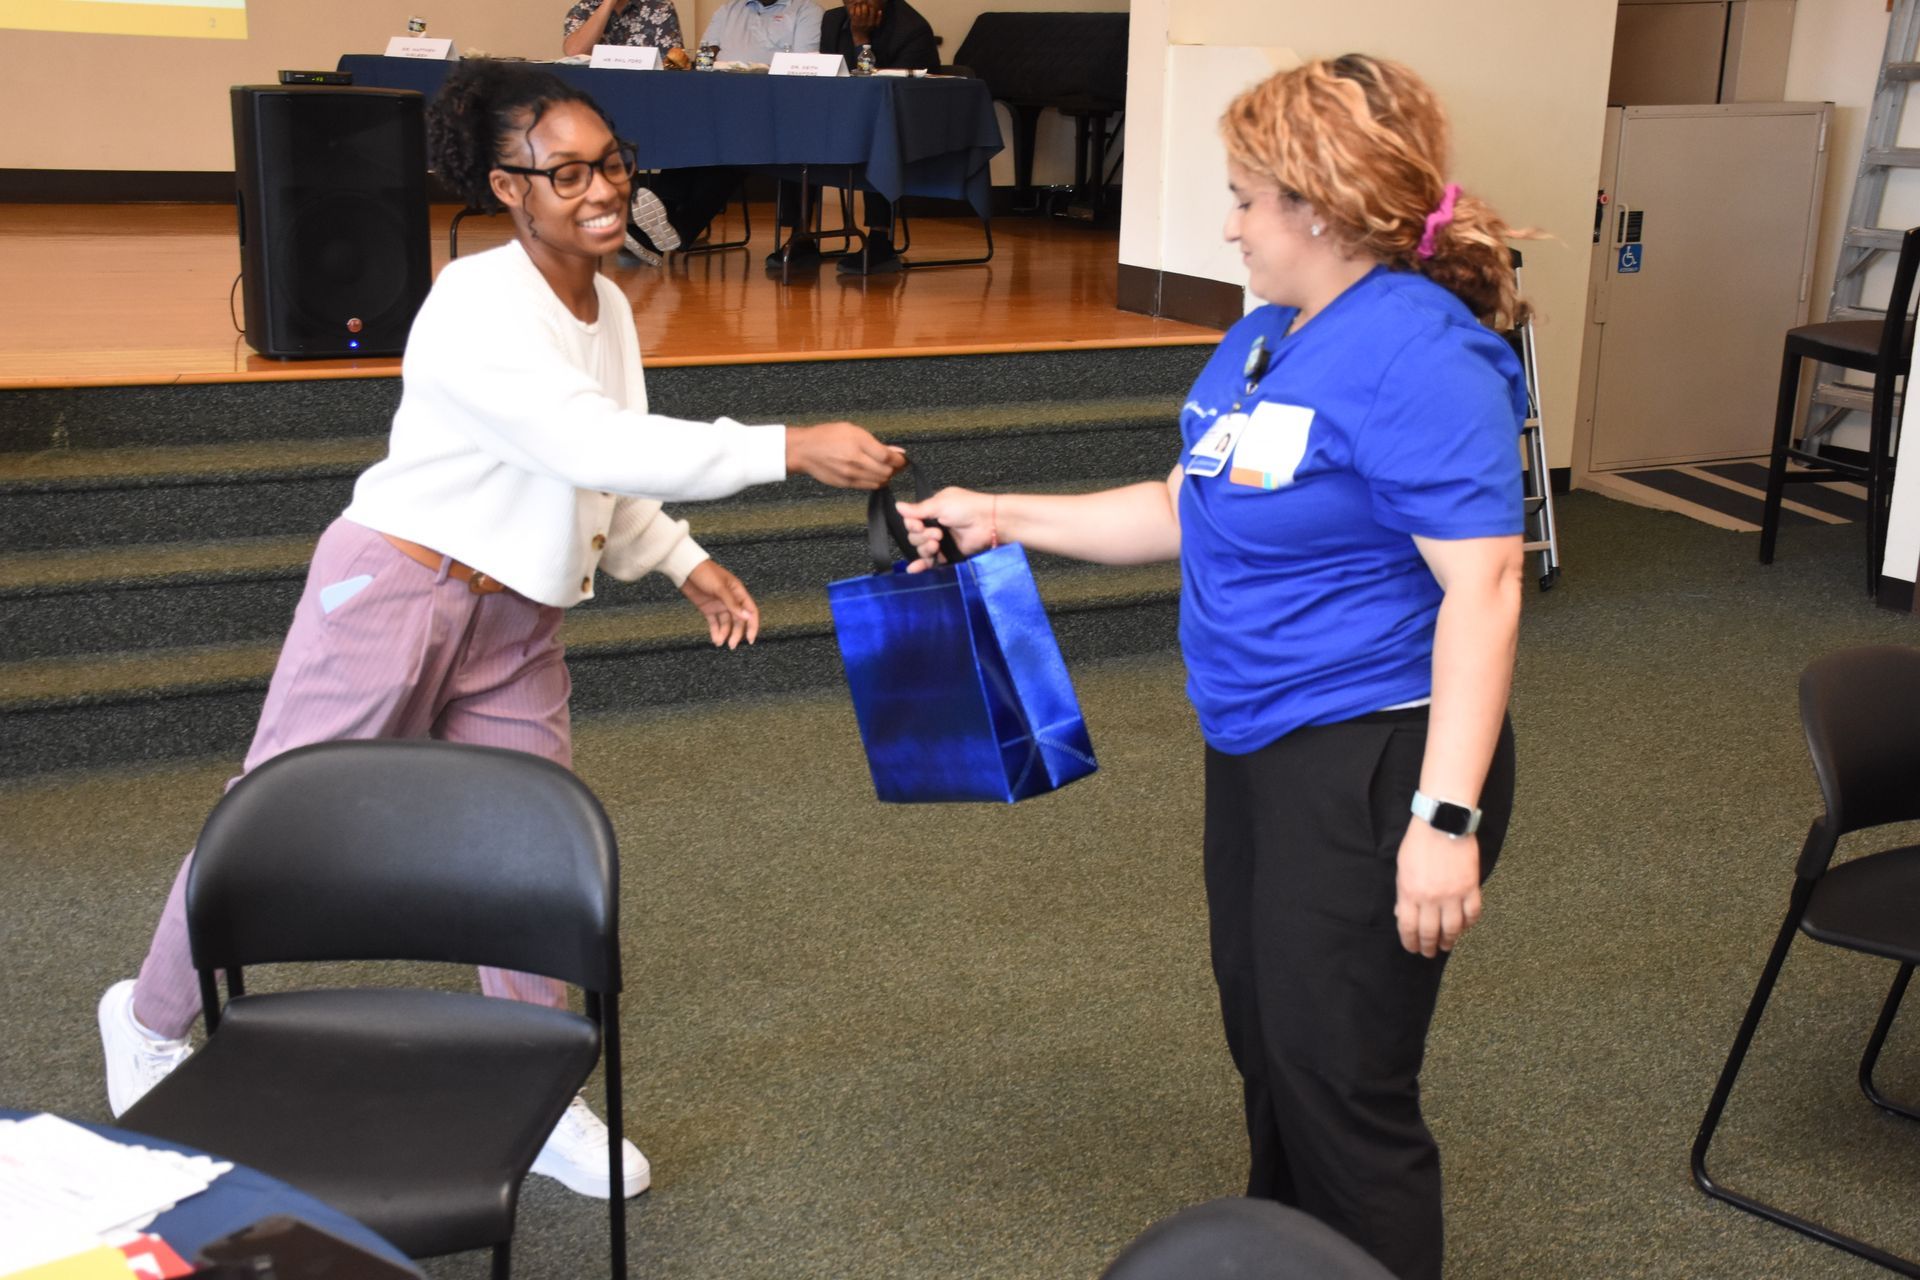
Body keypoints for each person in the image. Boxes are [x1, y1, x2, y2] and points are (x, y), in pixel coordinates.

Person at [97, 58, 903, 1204]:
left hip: (518, 614)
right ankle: (147, 1015)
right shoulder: (475, 302)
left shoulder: (611, 303)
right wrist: (786, 444)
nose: (599, 187)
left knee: (526, 849)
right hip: (395, 588)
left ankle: (536, 1092)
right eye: (564, 170)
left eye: (611, 162)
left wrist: (682, 559)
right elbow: (583, 443)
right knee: (276, 812)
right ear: (505, 186)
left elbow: (604, 466)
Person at [898, 54, 1527, 1280]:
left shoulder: (1416, 354)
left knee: (1346, 1091)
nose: (1228, 221)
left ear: (1323, 204)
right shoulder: (1264, 338)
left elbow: (1487, 586)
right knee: (1276, 1054)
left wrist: (1442, 817)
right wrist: (1004, 514)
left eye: (1245, 196)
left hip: (1379, 751)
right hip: (1257, 744)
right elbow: (1182, 509)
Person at [817, 0, 939, 274]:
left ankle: (880, 240)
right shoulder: (833, 20)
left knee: (877, 136)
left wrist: (861, 39)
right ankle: (800, 236)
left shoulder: (912, 28)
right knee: (798, 130)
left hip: (905, 124)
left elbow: (895, 94)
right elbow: (828, 76)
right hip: (848, 118)